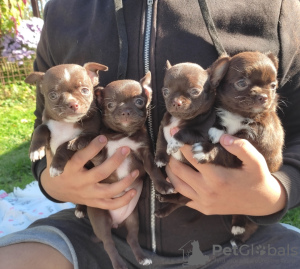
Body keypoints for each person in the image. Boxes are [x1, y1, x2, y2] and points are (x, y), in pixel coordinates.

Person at [1, 0, 300, 268]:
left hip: (237, 244)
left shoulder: (277, 7)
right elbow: (45, 123)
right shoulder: (63, 11)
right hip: (94, 235)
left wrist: (274, 194)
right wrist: (52, 182)